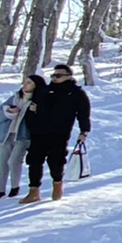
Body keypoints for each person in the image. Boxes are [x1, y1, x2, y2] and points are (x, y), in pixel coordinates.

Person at [19, 62, 91, 203]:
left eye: (58, 75)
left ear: (68, 76)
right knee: (34, 161)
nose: (55, 78)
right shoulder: (44, 91)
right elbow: (32, 107)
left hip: (59, 133)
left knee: (55, 161)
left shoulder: (76, 93)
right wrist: (32, 120)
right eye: (53, 75)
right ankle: (33, 191)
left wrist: (84, 131)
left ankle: (57, 184)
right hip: (38, 132)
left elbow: (83, 114)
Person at [0, 75, 40, 199]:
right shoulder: (14, 98)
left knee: (14, 161)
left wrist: (35, 112)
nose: (25, 85)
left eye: (29, 83)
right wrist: (8, 112)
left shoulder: (37, 101)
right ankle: (0, 190)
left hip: (22, 136)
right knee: (3, 162)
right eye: (24, 82)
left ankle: (15, 187)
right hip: (5, 134)